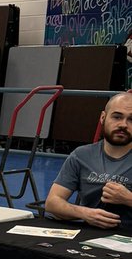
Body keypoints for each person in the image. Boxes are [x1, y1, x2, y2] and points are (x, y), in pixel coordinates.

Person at [45, 91, 132, 230]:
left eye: (131, 119)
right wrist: (85, 213)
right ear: (103, 118)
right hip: (89, 236)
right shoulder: (81, 155)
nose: (123, 125)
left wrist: (128, 199)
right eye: (117, 117)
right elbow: (52, 202)